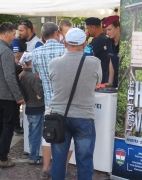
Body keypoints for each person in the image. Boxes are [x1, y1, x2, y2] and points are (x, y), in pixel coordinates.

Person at [49, 28, 102, 180]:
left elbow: (54, 83)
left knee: (58, 160)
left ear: (64, 43)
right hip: (84, 116)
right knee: (84, 161)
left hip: (59, 117)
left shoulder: (54, 63)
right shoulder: (94, 63)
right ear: (85, 44)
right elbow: (97, 82)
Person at [31, 22, 75, 179]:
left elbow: (37, 76)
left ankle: (45, 168)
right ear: (58, 33)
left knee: (48, 134)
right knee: (67, 136)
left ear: (43, 36)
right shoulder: (66, 50)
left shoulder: (36, 53)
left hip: (50, 102)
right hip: (67, 102)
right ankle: (63, 168)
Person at [0, 22, 25, 167]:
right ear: (6, 33)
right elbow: (9, 76)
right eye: (13, 34)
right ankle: (2, 157)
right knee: (7, 126)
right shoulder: (5, 51)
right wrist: (18, 96)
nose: (15, 37)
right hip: (6, 95)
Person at [19, 52, 45, 165]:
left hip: (30, 106)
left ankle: (33, 154)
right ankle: (34, 156)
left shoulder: (24, 75)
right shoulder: (33, 76)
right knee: (35, 133)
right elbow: (39, 93)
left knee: (32, 132)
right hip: (36, 106)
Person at [86, 17, 110, 83]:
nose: (87, 32)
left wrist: (85, 39)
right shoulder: (104, 38)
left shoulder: (97, 41)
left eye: (88, 29)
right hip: (105, 74)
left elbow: (85, 55)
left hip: (99, 76)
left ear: (93, 28)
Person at [104, 16, 120, 87]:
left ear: (117, 28)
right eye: (106, 30)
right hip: (115, 81)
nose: (107, 32)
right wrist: (110, 82)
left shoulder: (125, 42)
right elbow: (111, 60)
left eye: (109, 30)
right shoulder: (108, 41)